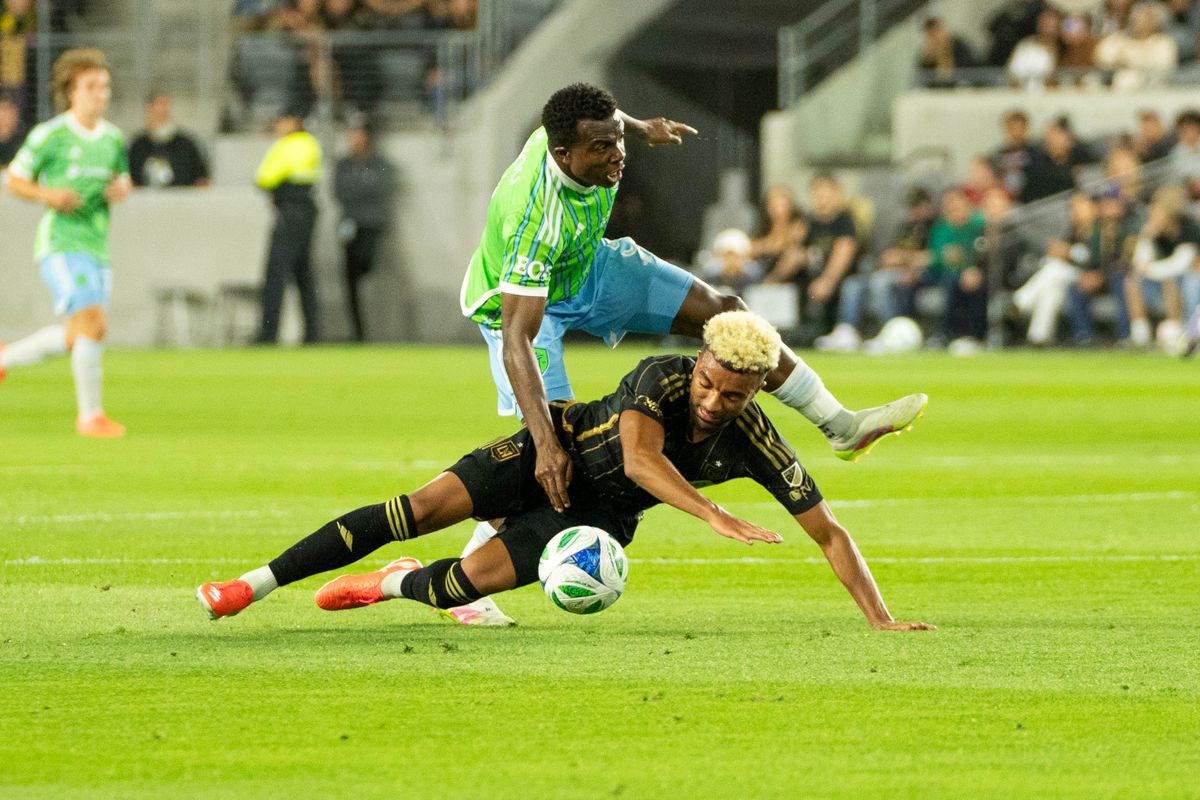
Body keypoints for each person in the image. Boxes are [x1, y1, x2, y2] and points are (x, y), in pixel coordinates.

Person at [455, 84, 926, 625]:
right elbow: (518, 337)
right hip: (520, 307)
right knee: (566, 451)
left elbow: (601, 118)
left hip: (586, 266)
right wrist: (542, 443)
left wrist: (639, 126)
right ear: (564, 155)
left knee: (729, 314)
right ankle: (469, 578)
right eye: (603, 148)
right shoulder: (532, 217)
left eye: (617, 142)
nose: (617, 156)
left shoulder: (579, 131)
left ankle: (840, 425)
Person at [196, 311, 935, 633]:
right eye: (710, 382)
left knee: (462, 584)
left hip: (594, 519)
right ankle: (248, 587)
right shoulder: (662, 376)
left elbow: (828, 530)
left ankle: (389, 582)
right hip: (550, 449)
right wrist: (712, 514)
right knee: (416, 506)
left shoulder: (756, 441)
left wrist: (879, 615)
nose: (713, 401)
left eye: (733, 395)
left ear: (757, 391)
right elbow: (642, 459)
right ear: (700, 362)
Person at [0, 48, 131, 437]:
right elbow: (15, 180)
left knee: (82, 332)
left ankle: (6, 358)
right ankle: (90, 417)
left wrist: (121, 188)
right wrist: (49, 196)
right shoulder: (50, 135)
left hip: (96, 244)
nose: (100, 94)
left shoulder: (112, 138)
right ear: (70, 91)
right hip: (60, 243)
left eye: (104, 86)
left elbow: (121, 179)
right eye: (91, 86)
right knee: (94, 322)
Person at [763, 172, 860, 343]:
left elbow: (844, 251)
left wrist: (828, 280)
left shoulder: (844, 220)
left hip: (841, 279)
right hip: (810, 279)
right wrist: (773, 279)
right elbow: (793, 255)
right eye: (817, 192)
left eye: (826, 191)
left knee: (848, 289)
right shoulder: (807, 222)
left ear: (836, 193)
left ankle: (844, 334)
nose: (822, 197)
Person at [254, 109, 321, 344]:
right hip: (307, 211)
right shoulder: (311, 144)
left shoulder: (290, 145)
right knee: (303, 274)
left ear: (294, 121)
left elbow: (263, 177)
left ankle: (268, 335)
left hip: (290, 212)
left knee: (275, 274)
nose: (279, 126)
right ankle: (312, 335)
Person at [333, 118, 395, 341]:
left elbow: (380, 190)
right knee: (350, 279)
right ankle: (357, 331)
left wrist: (359, 190)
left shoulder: (380, 163)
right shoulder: (343, 165)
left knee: (366, 265)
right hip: (351, 225)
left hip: (371, 225)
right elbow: (340, 192)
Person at [127, 91, 210, 188]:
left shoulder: (186, 145)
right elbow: (129, 179)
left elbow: (202, 180)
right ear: (148, 112)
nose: (160, 116)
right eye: (156, 112)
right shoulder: (138, 146)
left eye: (164, 112)